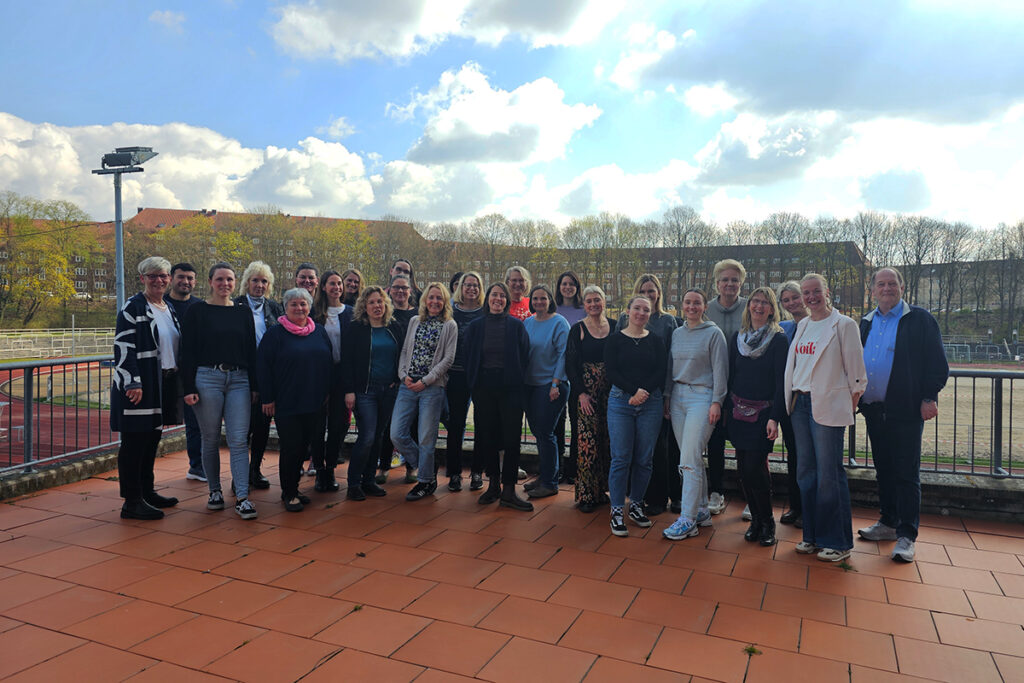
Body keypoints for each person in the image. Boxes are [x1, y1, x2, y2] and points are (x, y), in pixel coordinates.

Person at [857, 267, 948, 563]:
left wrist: (929, 397)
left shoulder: (920, 319)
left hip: (906, 410)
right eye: (881, 284)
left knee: (906, 474)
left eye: (892, 283)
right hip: (874, 411)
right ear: (872, 290)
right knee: (883, 469)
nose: (887, 288)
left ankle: (907, 535)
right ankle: (888, 522)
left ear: (902, 287)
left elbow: (937, 364)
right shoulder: (866, 322)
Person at [784, 273, 867, 563]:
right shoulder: (803, 325)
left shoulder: (844, 325)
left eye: (815, 291)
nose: (810, 297)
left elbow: (857, 375)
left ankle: (837, 541)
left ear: (827, 292)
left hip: (827, 405)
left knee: (829, 474)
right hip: (800, 403)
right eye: (806, 293)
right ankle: (812, 534)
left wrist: (846, 405)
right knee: (805, 472)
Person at [181, 263, 259, 520]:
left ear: (235, 283)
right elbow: (187, 351)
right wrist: (188, 387)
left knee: (238, 439)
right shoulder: (197, 311)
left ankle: (243, 497)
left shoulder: (243, 312)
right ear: (210, 281)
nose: (225, 284)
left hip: (239, 379)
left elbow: (251, 350)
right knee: (211, 437)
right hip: (207, 378)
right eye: (220, 279)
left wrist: (255, 386)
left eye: (229, 279)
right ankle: (214, 491)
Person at [111, 257, 183, 520]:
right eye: (152, 276)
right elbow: (123, 346)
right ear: (142, 278)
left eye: (163, 275)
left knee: (152, 439)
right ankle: (132, 501)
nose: (159, 280)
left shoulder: (168, 307)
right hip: (141, 384)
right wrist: (132, 381)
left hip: (162, 382)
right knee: (134, 442)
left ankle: (147, 492)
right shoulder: (133, 307)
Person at [257, 288, 333, 512]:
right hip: (287, 401)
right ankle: (288, 493)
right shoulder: (275, 334)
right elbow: (263, 367)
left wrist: (327, 391)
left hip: (314, 401)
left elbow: (328, 362)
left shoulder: (319, 331)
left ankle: (294, 488)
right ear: (286, 307)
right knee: (291, 447)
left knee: (303, 448)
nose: (299, 308)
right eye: (294, 304)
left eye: (303, 304)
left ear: (309, 307)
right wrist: (267, 398)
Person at [724, 287, 789, 546]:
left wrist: (775, 417)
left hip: (763, 414)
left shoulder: (778, 340)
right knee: (743, 469)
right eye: (755, 302)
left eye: (765, 303)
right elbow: (731, 376)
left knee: (755, 468)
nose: (759, 307)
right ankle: (756, 521)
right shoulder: (737, 338)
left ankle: (768, 522)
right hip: (738, 411)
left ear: (772, 309)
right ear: (748, 305)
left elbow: (781, 382)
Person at [661, 289, 728, 541]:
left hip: (702, 396)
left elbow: (721, 370)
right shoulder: (677, 333)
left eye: (697, 303)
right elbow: (671, 367)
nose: (691, 306)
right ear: (682, 305)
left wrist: (717, 402)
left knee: (688, 459)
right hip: (678, 396)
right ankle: (701, 510)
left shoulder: (714, 334)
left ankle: (687, 519)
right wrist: (668, 396)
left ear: (704, 306)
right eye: (687, 302)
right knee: (690, 456)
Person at [463, 282, 532, 511]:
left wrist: (516, 378)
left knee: (512, 439)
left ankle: (509, 490)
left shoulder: (516, 326)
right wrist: (474, 383)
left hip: (510, 388)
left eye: (502, 296)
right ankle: (493, 485)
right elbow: (467, 355)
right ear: (488, 298)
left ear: (507, 301)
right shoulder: (475, 326)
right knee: (488, 437)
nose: (498, 299)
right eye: (494, 295)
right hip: (484, 388)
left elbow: (525, 354)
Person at [605, 295, 668, 536]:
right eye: (637, 308)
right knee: (621, 458)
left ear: (650, 314)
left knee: (644, 458)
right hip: (621, 402)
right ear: (628, 311)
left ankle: (636, 504)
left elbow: (661, 371)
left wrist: (643, 393)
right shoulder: (615, 340)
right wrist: (633, 392)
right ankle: (617, 510)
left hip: (650, 403)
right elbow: (611, 371)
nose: (641, 313)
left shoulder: (656, 340)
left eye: (646, 310)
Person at [617, 274, 678, 517]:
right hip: (628, 393)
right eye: (643, 291)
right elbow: (616, 353)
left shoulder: (667, 322)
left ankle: (658, 498)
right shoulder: (623, 319)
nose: (648, 295)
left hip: (655, 394)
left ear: (659, 294)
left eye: (651, 291)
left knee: (656, 449)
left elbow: (670, 361)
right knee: (630, 447)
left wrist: (665, 394)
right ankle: (635, 496)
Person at [391, 283, 458, 501]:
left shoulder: (450, 325)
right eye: (431, 297)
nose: (434, 302)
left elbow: (448, 359)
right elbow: (405, 351)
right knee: (397, 434)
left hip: (432, 388)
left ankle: (425, 482)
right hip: (407, 385)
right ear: (425, 300)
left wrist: (426, 381)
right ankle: (427, 466)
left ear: (445, 301)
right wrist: (403, 375)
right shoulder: (414, 321)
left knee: (426, 439)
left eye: (439, 298)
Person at [341, 286, 404, 501]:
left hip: (388, 390)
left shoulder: (394, 327)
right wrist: (349, 390)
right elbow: (347, 361)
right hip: (364, 391)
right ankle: (353, 483)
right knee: (367, 436)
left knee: (378, 436)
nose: (377, 306)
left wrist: (397, 380)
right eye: (372, 302)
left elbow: (402, 355)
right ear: (364, 307)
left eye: (380, 301)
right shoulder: (356, 329)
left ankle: (369, 480)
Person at [565, 285, 616, 512]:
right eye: (589, 301)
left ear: (604, 301)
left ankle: (601, 490)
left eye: (597, 300)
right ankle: (586, 495)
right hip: (587, 395)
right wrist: (581, 394)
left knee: (607, 442)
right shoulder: (578, 329)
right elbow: (570, 365)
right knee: (587, 443)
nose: (594, 304)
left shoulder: (615, 326)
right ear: (584, 305)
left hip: (611, 394)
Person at [234, 261, 283, 493]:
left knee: (263, 425)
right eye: (255, 280)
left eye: (264, 281)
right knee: (243, 428)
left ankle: (255, 469)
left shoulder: (274, 308)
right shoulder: (235, 306)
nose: (259, 285)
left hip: (268, 375)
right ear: (247, 282)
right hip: (242, 374)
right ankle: (240, 473)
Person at [705, 259, 748, 515]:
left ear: (741, 283)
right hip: (713, 386)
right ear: (717, 283)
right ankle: (717, 491)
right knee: (715, 441)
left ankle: (751, 495)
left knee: (746, 443)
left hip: (744, 386)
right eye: (725, 279)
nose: (729, 284)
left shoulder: (750, 307)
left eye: (734, 280)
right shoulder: (706, 309)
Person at [522, 285, 570, 499]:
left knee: (545, 432)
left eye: (543, 298)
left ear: (550, 300)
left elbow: (563, 354)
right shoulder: (528, 322)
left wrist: (555, 383)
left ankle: (550, 482)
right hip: (530, 385)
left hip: (551, 385)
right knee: (538, 432)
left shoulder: (559, 323)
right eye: (535, 298)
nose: (539, 302)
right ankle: (545, 476)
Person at [442, 271, 486, 491]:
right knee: (456, 424)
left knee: (482, 423)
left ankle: (477, 472)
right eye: (468, 285)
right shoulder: (451, 311)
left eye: (476, 285)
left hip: (479, 375)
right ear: (460, 288)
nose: (471, 288)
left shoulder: (485, 311)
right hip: (456, 373)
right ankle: (454, 473)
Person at [311, 270, 354, 492]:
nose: (336, 287)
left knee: (338, 425)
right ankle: (319, 471)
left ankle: (330, 468)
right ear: (324, 287)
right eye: (332, 283)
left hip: (342, 375)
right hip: (319, 376)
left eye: (339, 283)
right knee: (317, 426)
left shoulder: (351, 313)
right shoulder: (314, 313)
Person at [164, 262, 203, 482]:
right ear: (171, 278)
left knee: (195, 420)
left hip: (192, 371)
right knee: (157, 421)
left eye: (190, 278)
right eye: (181, 277)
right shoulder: (161, 304)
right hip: (166, 371)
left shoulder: (199, 307)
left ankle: (197, 466)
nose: (185, 282)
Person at [776, 280, 808, 526]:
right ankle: (796, 506)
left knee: (810, 457)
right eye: (786, 300)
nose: (791, 303)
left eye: (795, 297)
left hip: (811, 400)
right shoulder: (784, 328)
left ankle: (809, 509)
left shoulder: (818, 324)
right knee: (794, 455)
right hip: (790, 400)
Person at [554, 270, 585, 484]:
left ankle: (573, 470)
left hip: (576, 373)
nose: (567, 287)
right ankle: (556, 468)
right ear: (559, 287)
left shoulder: (583, 310)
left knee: (576, 424)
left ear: (577, 287)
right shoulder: (553, 309)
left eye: (571, 284)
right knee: (557, 423)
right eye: (564, 283)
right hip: (556, 374)